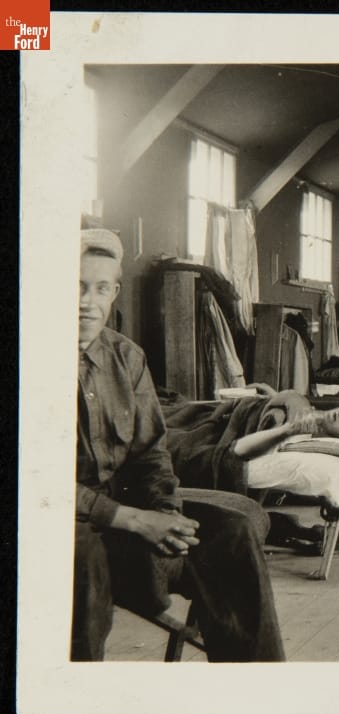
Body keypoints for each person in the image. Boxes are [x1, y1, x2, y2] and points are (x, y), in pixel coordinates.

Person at [74, 228, 285, 661]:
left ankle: (258, 689)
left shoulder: (127, 358)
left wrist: (166, 512)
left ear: (114, 291)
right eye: (74, 287)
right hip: (65, 519)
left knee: (233, 529)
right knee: (82, 558)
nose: (85, 302)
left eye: (99, 288)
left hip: (124, 505)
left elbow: (151, 453)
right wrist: (133, 520)